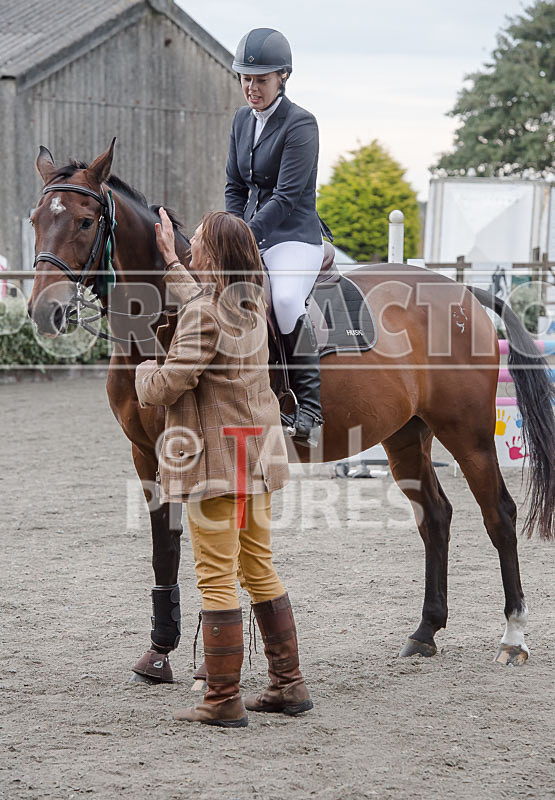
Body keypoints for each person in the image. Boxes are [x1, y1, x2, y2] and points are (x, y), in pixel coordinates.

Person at [135, 209, 313, 727]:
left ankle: (222, 699)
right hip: (257, 459)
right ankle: (288, 684)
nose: (192, 245)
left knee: (215, 577)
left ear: (213, 254)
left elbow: (171, 385)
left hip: (217, 465)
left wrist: (147, 370)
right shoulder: (249, 302)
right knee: (258, 566)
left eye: (199, 242)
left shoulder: (206, 315)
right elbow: (197, 301)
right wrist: (169, 257)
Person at [226, 27, 331, 448]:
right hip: (252, 234)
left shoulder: (301, 123)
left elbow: (287, 197)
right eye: (245, 78)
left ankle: (310, 407)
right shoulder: (239, 120)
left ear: (282, 76)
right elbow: (235, 187)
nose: (251, 87)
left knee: (285, 299)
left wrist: (243, 236)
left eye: (261, 79)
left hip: (294, 236)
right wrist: (230, 231)